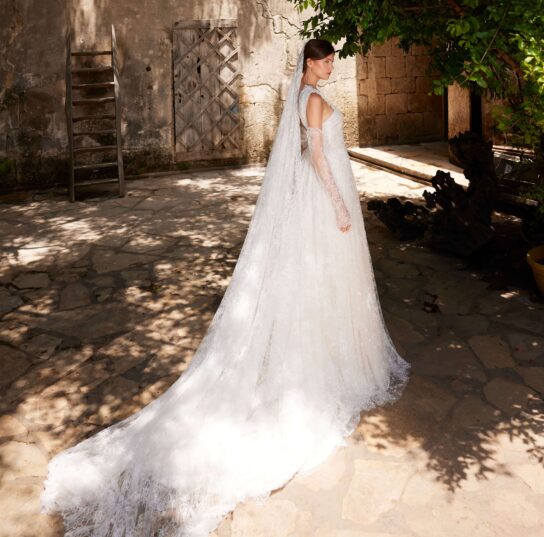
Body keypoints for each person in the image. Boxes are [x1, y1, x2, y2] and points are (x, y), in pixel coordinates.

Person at [42, 38, 410, 537]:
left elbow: (302, 147)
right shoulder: (315, 98)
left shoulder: (297, 96)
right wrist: (340, 205)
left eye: (330, 60)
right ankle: (329, 358)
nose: (332, 66)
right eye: (326, 60)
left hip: (312, 197)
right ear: (310, 62)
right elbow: (319, 157)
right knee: (327, 280)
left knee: (318, 283)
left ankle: (325, 344)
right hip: (324, 196)